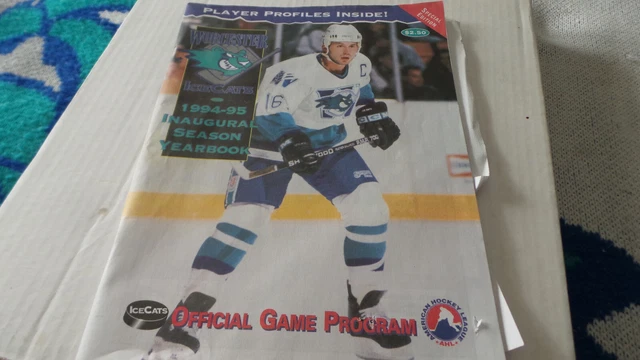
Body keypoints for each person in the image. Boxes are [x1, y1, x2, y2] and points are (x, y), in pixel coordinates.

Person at [144, 24, 411, 360]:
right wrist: (290, 139)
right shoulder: (290, 72)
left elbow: (361, 92)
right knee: (246, 218)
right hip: (267, 145)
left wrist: (373, 116)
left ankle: (367, 311)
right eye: (340, 44)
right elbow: (270, 111)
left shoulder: (360, 64)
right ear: (325, 45)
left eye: (353, 44)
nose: (347, 51)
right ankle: (184, 321)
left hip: (329, 143)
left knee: (370, 207)